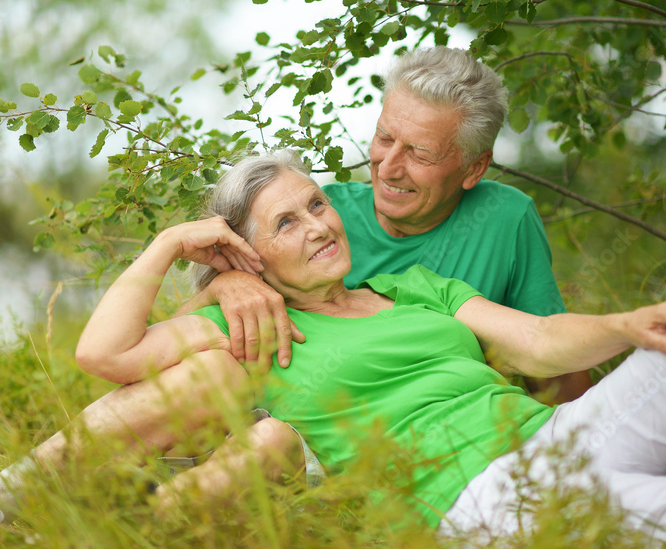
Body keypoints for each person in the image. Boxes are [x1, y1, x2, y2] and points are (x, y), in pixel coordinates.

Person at [3, 151, 665, 541]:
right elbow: (104, 355)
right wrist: (170, 243)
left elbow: (541, 341)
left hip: (558, 436)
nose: (319, 226)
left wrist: (627, 324)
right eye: (286, 223)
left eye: (317, 205)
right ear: (248, 255)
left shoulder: (413, 287)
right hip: (475, 497)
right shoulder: (255, 332)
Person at [186, 47, 590, 402]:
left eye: (420, 154)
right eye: (384, 138)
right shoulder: (320, 219)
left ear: (474, 168)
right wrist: (221, 285)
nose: (389, 168)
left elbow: (551, 364)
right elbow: (176, 344)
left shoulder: (505, 218)